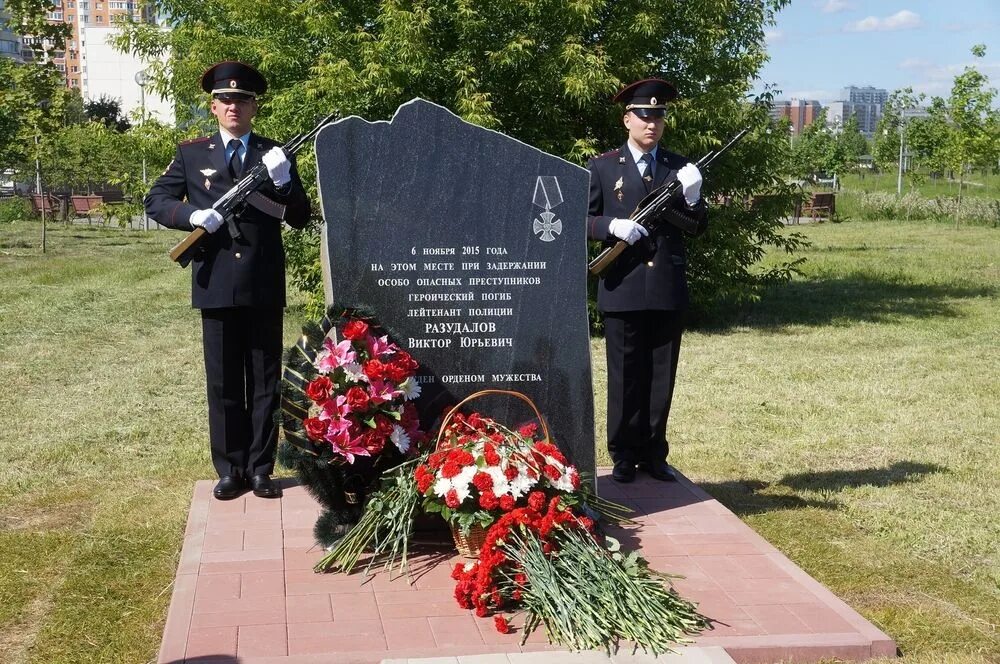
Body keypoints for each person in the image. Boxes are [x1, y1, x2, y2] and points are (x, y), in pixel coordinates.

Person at [145, 61, 311, 500]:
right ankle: (229, 468)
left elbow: (300, 216)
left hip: (261, 282)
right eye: (225, 100)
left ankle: (260, 468)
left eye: (241, 99)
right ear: (213, 107)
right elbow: (156, 199)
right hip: (215, 281)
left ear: (254, 106)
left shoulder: (274, 154)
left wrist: (284, 181)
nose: (233, 106)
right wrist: (191, 215)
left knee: (264, 379)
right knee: (222, 383)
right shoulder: (191, 153)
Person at [586, 78, 708, 483]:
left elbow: (697, 227)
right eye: (643, 115)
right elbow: (579, 220)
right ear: (627, 120)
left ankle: (654, 452)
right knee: (624, 376)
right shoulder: (603, 167)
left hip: (665, 288)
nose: (651, 123)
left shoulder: (680, 169)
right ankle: (622, 453)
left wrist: (692, 198)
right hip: (622, 284)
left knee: (660, 375)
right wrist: (611, 226)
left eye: (658, 116)